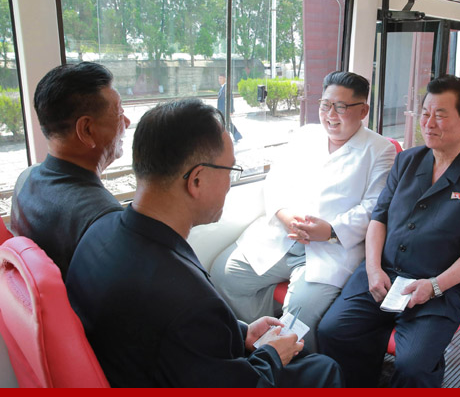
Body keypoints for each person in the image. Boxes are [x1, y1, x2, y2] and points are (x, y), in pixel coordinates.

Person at [65, 98, 343, 388]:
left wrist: (241, 332)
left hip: (142, 364)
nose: (229, 184)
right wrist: (272, 355)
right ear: (196, 180)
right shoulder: (190, 300)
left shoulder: (98, 230)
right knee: (324, 368)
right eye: (229, 171)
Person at [317, 75, 460, 387]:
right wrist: (373, 269)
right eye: (425, 113)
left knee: (414, 364)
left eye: (440, 115)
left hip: (441, 288)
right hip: (384, 275)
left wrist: (434, 286)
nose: (428, 124)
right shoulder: (407, 160)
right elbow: (379, 218)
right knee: (333, 331)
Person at [211, 71, 396, 353]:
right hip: (284, 234)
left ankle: (297, 368)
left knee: (302, 311)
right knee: (224, 274)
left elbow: (374, 206)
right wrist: (285, 216)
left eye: (341, 107)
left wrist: (330, 231)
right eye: (325, 105)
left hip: (333, 247)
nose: (330, 115)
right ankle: (261, 344)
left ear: (363, 111)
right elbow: (276, 180)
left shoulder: (380, 149)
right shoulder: (305, 135)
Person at [10, 62, 130, 278]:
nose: (127, 122)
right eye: (119, 114)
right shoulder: (103, 219)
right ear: (86, 130)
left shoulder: (25, 179)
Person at [217, 72, 242, 141]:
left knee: (228, 124)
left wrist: (231, 110)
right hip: (222, 110)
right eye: (219, 78)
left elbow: (230, 99)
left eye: (221, 78)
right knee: (225, 123)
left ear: (225, 79)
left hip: (225, 110)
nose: (219, 80)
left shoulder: (226, 88)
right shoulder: (222, 88)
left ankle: (236, 135)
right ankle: (236, 135)